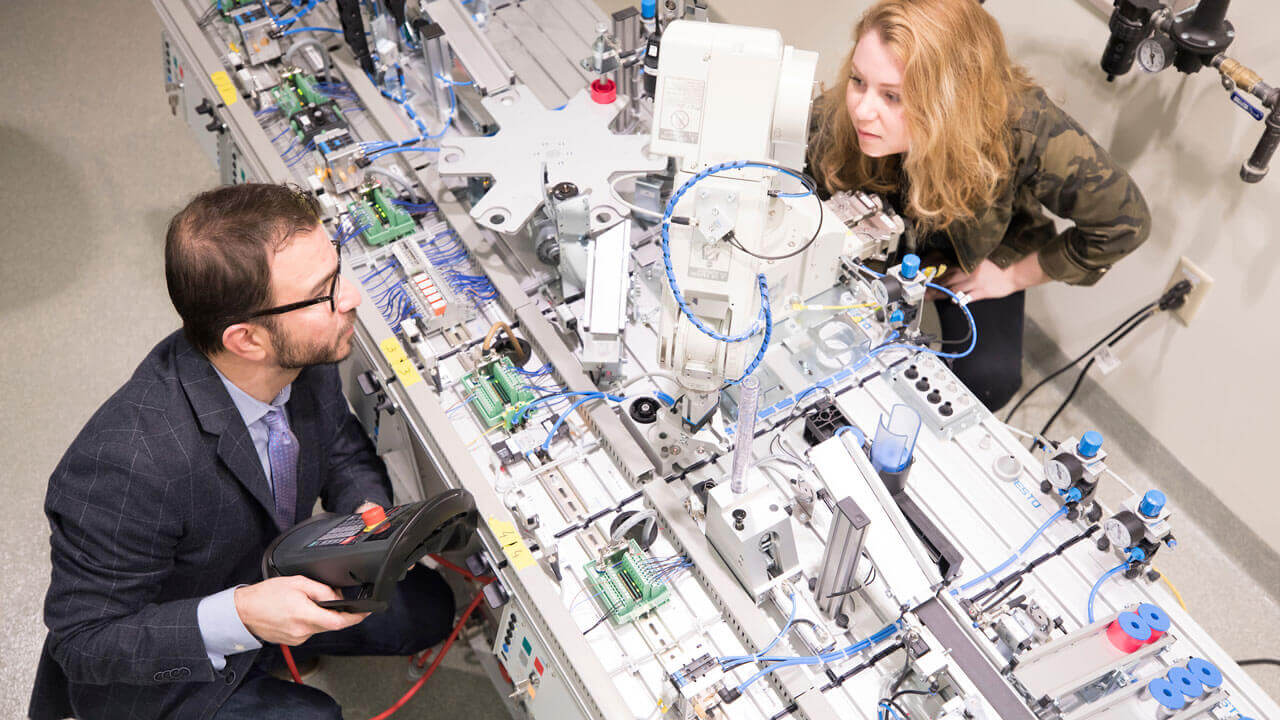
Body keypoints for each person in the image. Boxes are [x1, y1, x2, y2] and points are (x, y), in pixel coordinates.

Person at [29, 184, 455, 720]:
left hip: (268, 573)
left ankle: (279, 648)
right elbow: (86, 644)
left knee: (429, 610)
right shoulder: (126, 463)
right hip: (170, 656)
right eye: (325, 291)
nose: (350, 298)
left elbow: (342, 448)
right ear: (245, 339)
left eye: (337, 269)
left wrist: (364, 519)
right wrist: (241, 617)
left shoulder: (299, 353)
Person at [807, 0, 1151, 411]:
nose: (863, 110)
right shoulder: (838, 118)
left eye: (893, 96)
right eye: (858, 81)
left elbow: (1124, 222)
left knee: (989, 381)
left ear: (950, 101)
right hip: (868, 235)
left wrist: (1014, 275)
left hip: (974, 253)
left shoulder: (1024, 128)